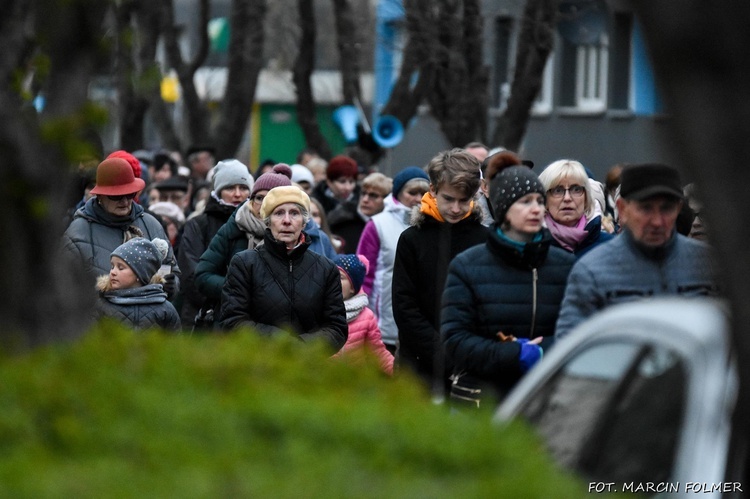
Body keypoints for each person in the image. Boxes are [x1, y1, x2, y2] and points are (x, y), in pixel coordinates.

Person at [442, 165, 576, 407]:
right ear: (504, 209)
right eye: (525, 202)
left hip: (546, 399)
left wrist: (544, 351)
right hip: (484, 401)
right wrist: (514, 355)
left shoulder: (565, 265)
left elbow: (579, 329)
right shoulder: (468, 266)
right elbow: (455, 339)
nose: (536, 209)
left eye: (539, 201)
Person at [555, 163, 719, 339]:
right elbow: (571, 346)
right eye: (646, 208)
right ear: (622, 209)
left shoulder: (707, 265)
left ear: (678, 209)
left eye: (666, 208)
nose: (657, 221)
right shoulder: (592, 272)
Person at [392, 149, 489, 398]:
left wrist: (470, 351)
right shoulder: (412, 239)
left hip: (471, 363)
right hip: (419, 365)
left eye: (463, 200)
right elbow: (404, 306)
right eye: (448, 199)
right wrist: (442, 354)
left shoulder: (485, 240)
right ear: (433, 190)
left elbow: (490, 303)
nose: (456, 208)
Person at [219, 186, 347, 351]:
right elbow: (232, 322)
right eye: (279, 213)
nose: (287, 220)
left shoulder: (325, 268)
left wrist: (302, 346)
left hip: (307, 367)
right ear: (268, 220)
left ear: (304, 221)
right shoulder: (245, 264)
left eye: (294, 213)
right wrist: (281, 341)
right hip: (256, 367)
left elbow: (337, 328)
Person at [62, 157, 180, 299]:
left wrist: (172, 285)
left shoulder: (151, 225)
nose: (124, 201)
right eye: (116, 196)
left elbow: (171, 270)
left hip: (149, 318)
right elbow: (64, 289)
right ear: (100, 196)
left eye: (130, 194)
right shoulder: (78, 232)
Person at [194, 164, 294, 312]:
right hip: (233, 321)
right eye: (259, 198)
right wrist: (239, 290)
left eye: (271, 199)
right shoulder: (234, 227)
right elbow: (203, 276)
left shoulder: (296, 236)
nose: (264, 205)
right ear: (251, 200)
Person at [357, 166, 430, 354]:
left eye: (423, 193)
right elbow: (363, 274)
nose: (417, 198)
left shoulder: (433, 226)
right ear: (398, 193)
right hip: (382, 323)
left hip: (422, 325)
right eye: (412, 192)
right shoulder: (378, 224)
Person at [178, 159, 253, 328]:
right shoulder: (198, 224)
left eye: (243, 188)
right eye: (229, 188)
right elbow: (192, 277)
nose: (237, 194)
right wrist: (238, 295)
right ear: (218, 192)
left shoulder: (258, 225)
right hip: (204, 318)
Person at [94, 237, 181, 330]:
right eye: (112, 266)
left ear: (140, 274)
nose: (113, 272)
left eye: (120, 268)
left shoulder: (165, 309)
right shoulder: (103, 306)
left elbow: (175, 342)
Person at [538, 159, 614, 258]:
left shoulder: (610, 247)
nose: (567, 198)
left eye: (576, 190)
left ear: (586, 198)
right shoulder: (533, 248)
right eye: (558, 190)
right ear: (544, 200)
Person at [332, 254, 394, 375]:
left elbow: (377, 352)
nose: (334, 281)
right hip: (324, 383)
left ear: (352, 288)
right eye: (331, 275)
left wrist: (397, 372)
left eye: (340, 277)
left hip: (354, 382)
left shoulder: (366, 316)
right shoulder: (319, 310)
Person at [329, 172, 392, 252]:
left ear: (386, 199)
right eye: (363, 193)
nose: (365, 200)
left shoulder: (389, 225)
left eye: (373, 195)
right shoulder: (342, 222)